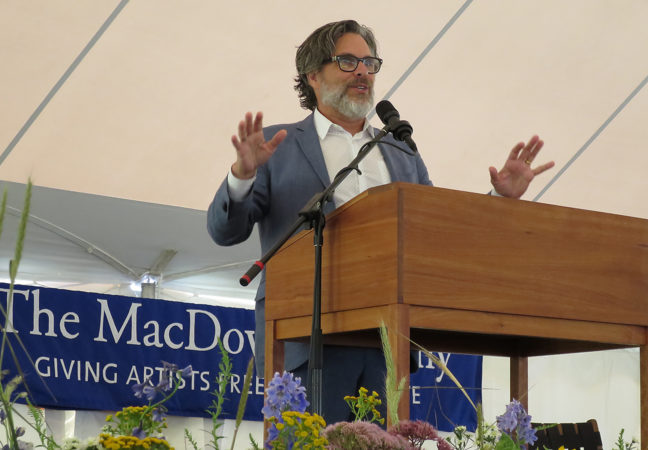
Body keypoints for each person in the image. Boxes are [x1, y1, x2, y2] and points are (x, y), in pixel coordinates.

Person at [207, 19, 554, 424]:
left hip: (386, 344)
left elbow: (436, 234)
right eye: (348, 61)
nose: (363, 72)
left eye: (370, 63)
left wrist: (499, 200)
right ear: (313, 75)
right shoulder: (276, 145)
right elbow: (224, 232)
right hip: (307, 341)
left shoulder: (400, 150)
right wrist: (241, 177)